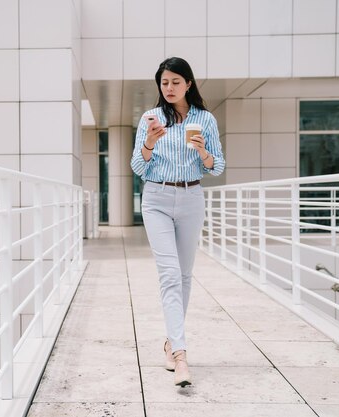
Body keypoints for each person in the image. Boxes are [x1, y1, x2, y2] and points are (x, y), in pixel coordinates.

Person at [130, 57, 225, 387]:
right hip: (156, 199)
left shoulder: (205, 120)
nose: (168, 88)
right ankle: (181, 355)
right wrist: (149, 144)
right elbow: (138, 167)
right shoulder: (150, 118)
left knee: (183, 276)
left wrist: (202, 152)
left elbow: (217, 167)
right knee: (170, 274)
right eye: (164, 82)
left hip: (191, 199)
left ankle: (171, 342)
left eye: (175, 82)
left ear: (188, 84)